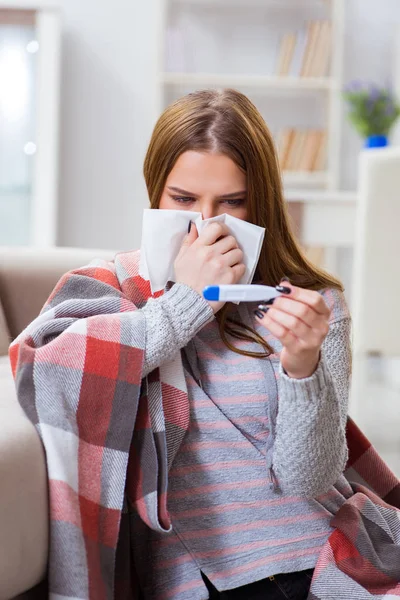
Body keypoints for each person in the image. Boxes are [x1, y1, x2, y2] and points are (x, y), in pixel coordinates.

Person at [11, 89, 354, 600]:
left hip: (319, 556)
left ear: (260, 199)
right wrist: (187, 303)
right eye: (184, 199)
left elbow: (308, 480)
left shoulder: (310, 303)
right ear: (156, 193)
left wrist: (303, 368)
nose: (207, 224)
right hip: (199, 578)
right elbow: (43, 370)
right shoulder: (111, 288)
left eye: (232, 201)